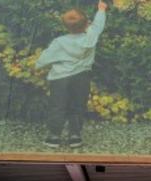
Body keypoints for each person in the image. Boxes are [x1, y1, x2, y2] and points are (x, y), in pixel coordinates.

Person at [35, 0, 108, 149]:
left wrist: (39, 65)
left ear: (65, 26)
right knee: (77, 105)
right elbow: (98, 25)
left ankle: (53, 136)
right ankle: (75, 136)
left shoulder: (59, 42)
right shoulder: (91, 37)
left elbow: (43, 60)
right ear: (87, 24)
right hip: (81, 77)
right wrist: (101, 9)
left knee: (57, 106)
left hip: (59, 78)